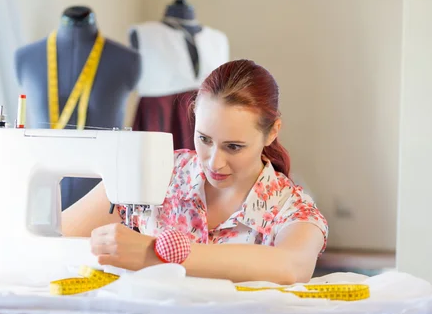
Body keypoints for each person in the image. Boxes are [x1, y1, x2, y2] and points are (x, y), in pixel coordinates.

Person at [61, 59, 328, 285]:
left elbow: (292, 266)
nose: (214, 163)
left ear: (272, 131)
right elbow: (60, 234)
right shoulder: (158, 171)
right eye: (204, 139)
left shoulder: (292, 208)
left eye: (233, 147)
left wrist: (153, 254)